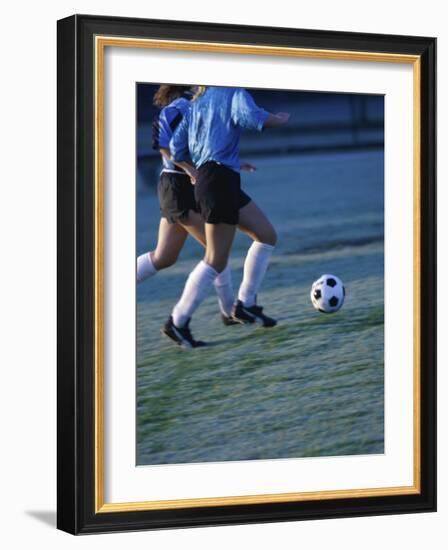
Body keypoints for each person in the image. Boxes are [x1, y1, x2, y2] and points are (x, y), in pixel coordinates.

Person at [162, 86, 290, 347]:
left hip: (220, 178)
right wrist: (279, 118)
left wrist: (200, 167)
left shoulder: (198, 101)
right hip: (218, 181)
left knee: (266, 235)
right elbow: (255, 118)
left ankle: (246, 303)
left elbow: (176, 147)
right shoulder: (232, 91)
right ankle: (177, 322)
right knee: (215, 259)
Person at [136, 85, 238, 324]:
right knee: (217, 251)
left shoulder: (199, 105)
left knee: (164, 256)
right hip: (178, 187)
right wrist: (190, 169)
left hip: (189, 186)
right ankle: (229, 312)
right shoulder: (178, 108)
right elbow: (163, 144)